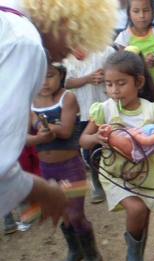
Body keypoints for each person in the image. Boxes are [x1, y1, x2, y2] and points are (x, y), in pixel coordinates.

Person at [0, 0, 116, 225]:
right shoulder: (25, 43)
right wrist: (41, 191)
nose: (70, 53)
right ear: (63, 17)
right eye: (75, 35)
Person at [79, 48, 154, 261]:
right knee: (137, 210)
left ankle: (138, 257)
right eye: (109, 84)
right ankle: (132, 259)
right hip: (114, 174)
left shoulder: (153, 111)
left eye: (121, 83)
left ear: (138, 82)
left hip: (145, 176)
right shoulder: (104, 110)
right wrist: (96, 138)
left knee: (143, 214)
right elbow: (83, 140)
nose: (114, 90)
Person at [28, 63, 102, 261]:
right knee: (60, 210)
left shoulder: (67, 97)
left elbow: (67, 130)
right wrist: (38, 138)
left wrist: (47, 131)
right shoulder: (30, 102)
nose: (44, 82)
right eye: (38, 76)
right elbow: (27, 136)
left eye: (49, 76)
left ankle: (92, 255)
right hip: (46, 169)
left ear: (60, 75)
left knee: (76, 213)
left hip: (70, 167)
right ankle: (75, 250)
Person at [115, 0, 154, 182]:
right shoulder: (124, 38)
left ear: (152, 12)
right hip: (137, 94)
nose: (141, 15)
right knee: (139, 128)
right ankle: (140, 166)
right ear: (129, 14)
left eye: (146, 10)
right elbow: (121, 65)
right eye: (136, 11)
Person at [64, 46, 116, 204]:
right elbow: (67, 82)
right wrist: (87, 78)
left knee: (114, 144)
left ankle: (115, 182)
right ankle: (97, 183)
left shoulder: (105, 51)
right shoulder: (68, 57)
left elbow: (117, 70)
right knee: (91, 149)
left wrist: (105, 77)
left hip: (108, 108)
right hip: (85, 111)